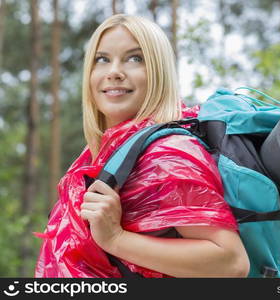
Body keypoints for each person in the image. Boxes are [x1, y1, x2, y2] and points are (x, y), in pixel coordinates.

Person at [34, 14, 250, 278]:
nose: (114, 72)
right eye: (102, 59)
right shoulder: (103, 154)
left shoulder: (168, 155)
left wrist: (116, 239)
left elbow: (231, 264)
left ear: (158, 72)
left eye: (135, 58)